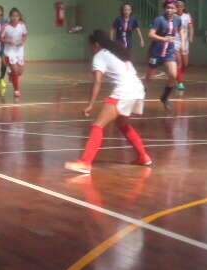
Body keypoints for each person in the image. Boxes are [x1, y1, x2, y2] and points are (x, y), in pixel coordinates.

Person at [64, 29, 151, 174]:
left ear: (96, 44)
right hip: (138, 89)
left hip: (124, 91)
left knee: (98, 125)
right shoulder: (119, 52)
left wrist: (91, 104)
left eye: (91, 46)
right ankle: (143, 157)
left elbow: (98, 81)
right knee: (122, 124)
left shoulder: (100, 55)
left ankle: (85, 163)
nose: (91, 49)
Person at [146, 0, 184, 110]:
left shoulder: (178, 19)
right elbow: (150, 34)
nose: (169, 10)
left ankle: (164, 97)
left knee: (173, 75)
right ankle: (143, 89)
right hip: (156, 52)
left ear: (176, 8)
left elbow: (180, 30)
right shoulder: (159, 20)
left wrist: (182, 40)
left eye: (172, 8)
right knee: (150, 76)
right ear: (164, 8)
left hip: (169, 52)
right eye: (167, 7)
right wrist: (164, 39)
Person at [1, 7, 28, 98]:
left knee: (20, 72)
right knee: (15, 71)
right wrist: (7, 40)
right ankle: (16, 90)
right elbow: (1, 38)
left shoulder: (22, 25)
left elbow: (25, 35)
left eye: (17, 16)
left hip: (19, 50)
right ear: (10, 17)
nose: (15, 18)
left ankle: (10, 73)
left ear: (19, 17)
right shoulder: (6, 26)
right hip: (9, 51)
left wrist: (23, 41)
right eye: (13, 16)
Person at [175, 0, 194, 90]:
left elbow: (191, 27)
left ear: (183, 7)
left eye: (181, 6)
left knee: (185, 63)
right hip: (175, 42)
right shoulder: (173, 16)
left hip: (184, 42)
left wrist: (190, 37)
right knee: (179, 62)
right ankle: (180, 82)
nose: (179, 7)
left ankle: (177, 75)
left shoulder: (187, 16)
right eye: (177, 6)